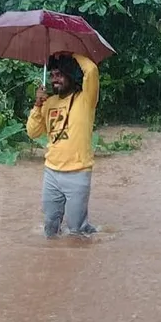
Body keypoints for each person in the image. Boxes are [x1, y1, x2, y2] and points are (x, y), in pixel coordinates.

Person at [26, 53, 99, 238]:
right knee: (50, 229)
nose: (54, 79)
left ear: (70, 74)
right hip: (51, 172)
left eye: (59, 74)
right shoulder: (48, 102)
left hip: (78, 172)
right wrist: (37, 105)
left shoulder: (86, 99)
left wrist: (72, 53)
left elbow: (91, 70)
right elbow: (32, 132)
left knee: (77, 232)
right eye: (52, 75)